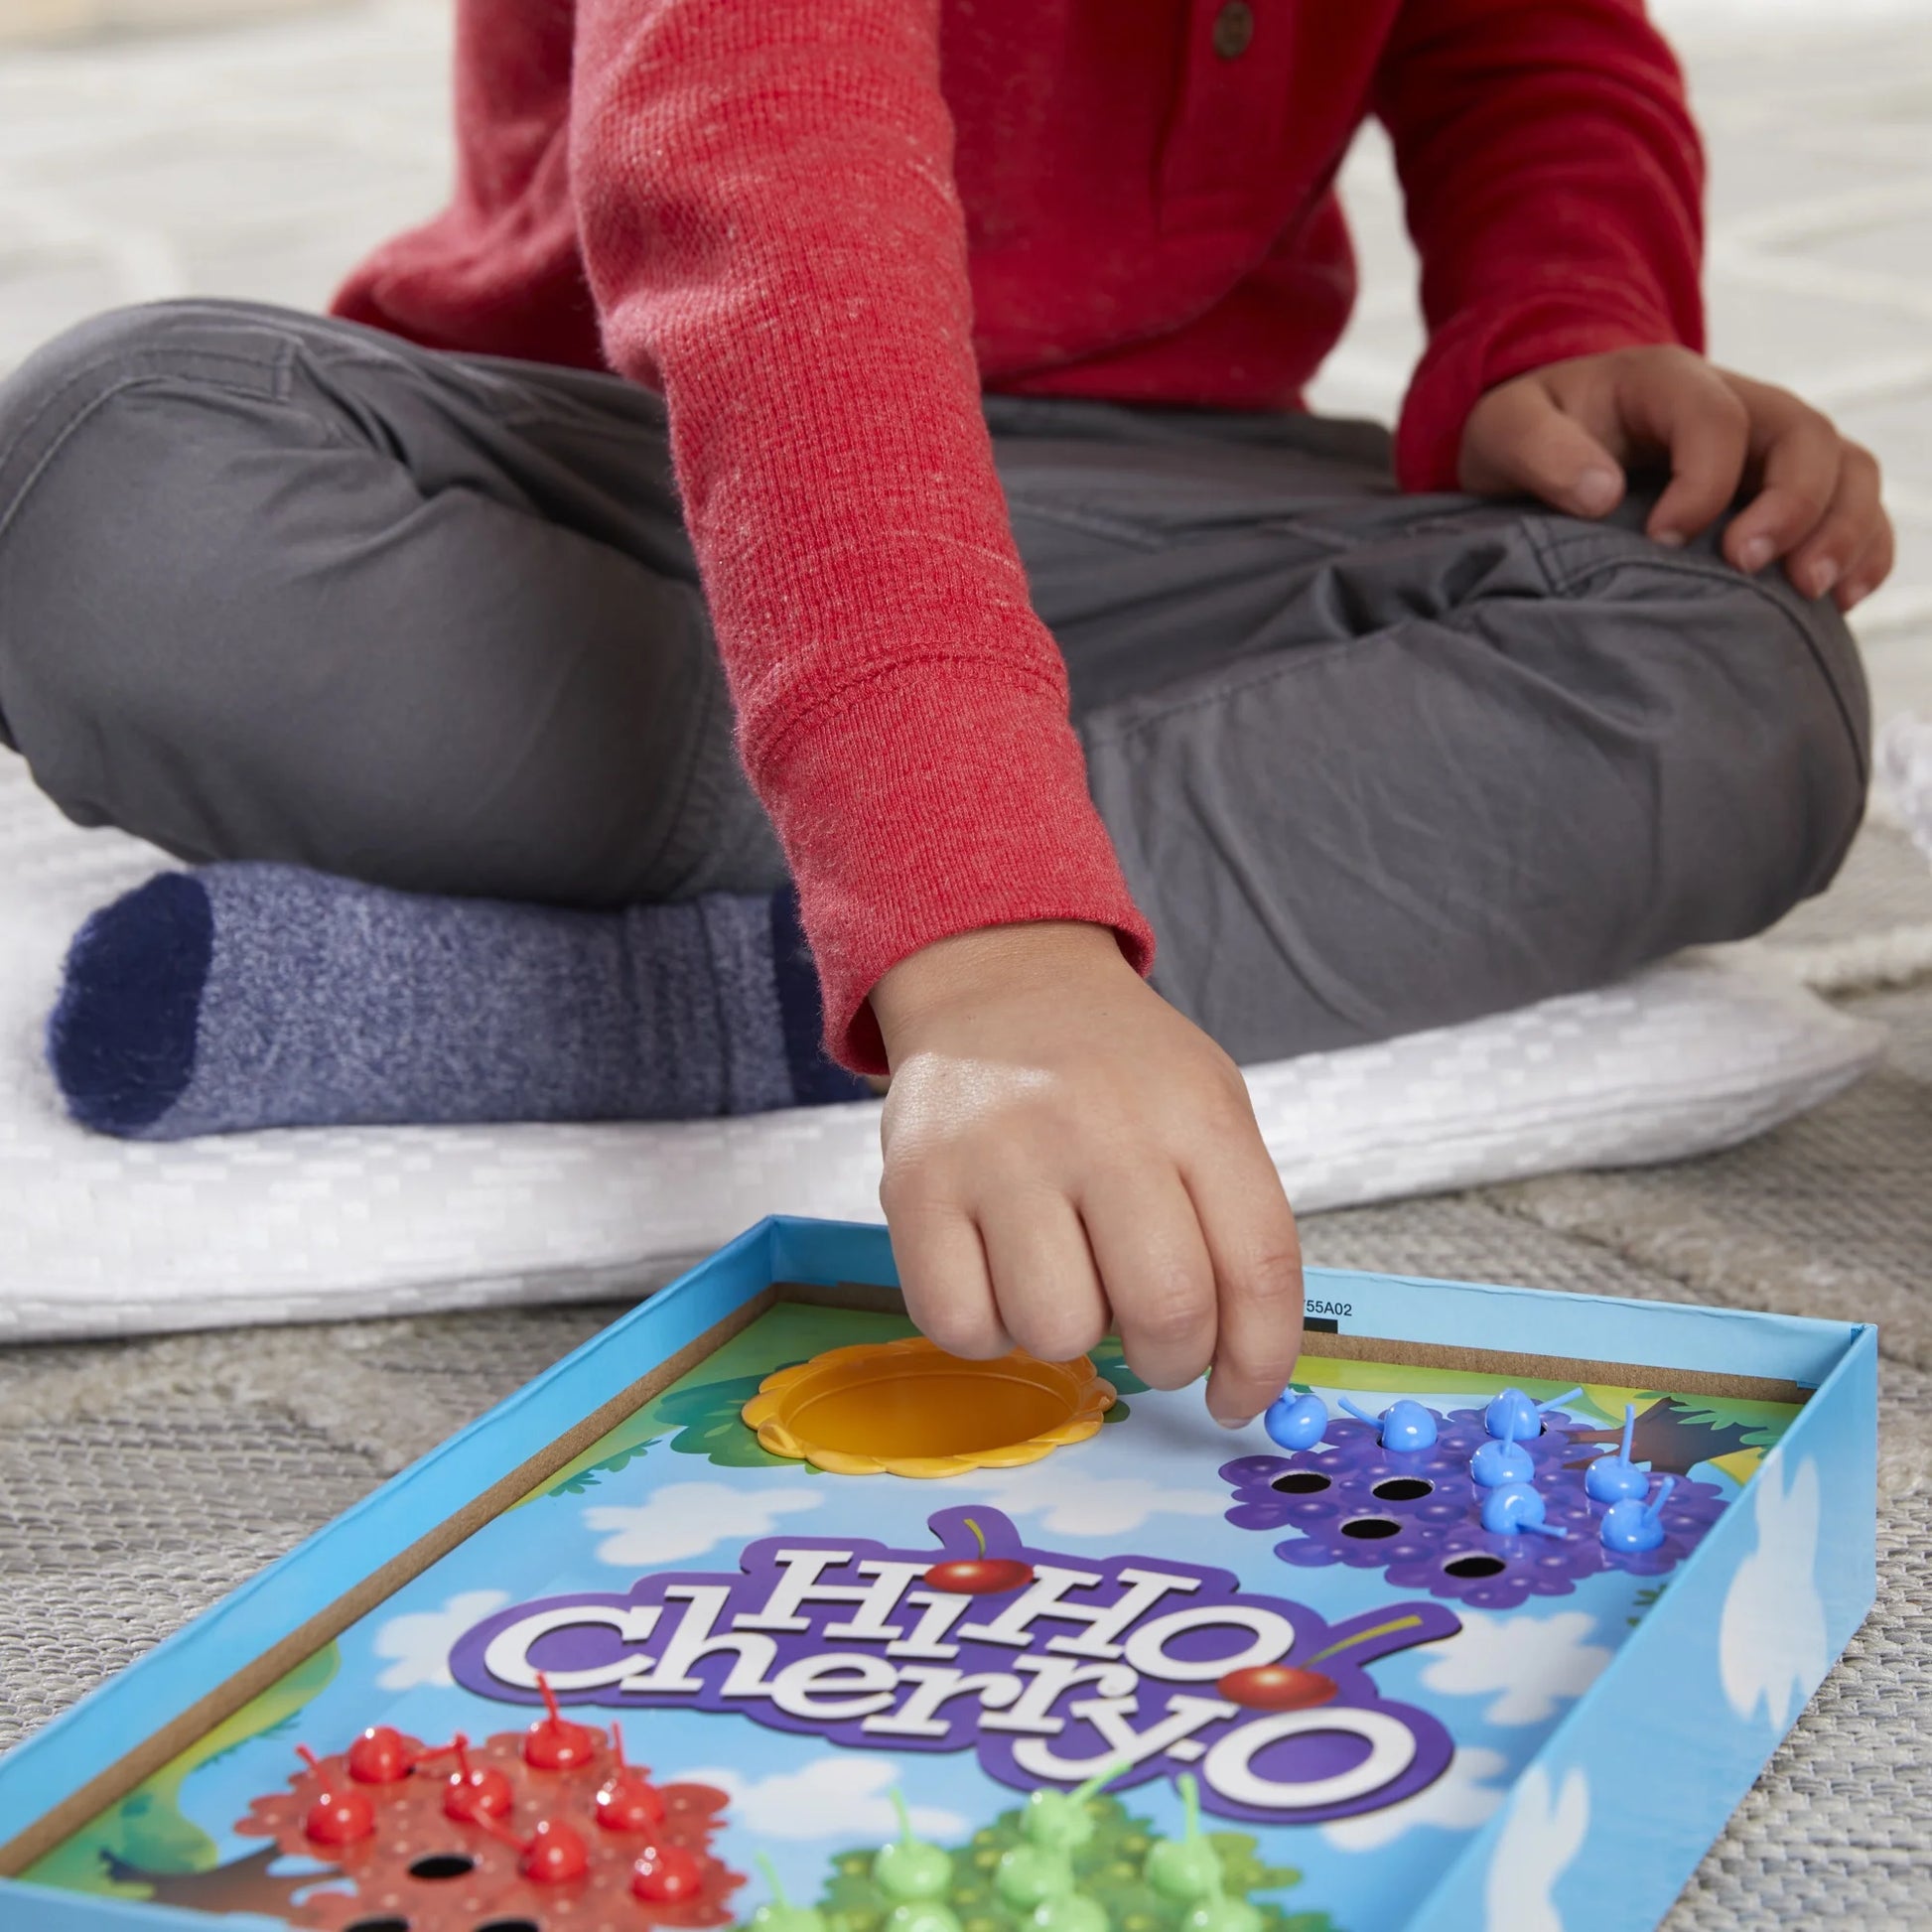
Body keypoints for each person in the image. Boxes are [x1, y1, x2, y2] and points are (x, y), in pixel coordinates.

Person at [0, 1, 1888, 1429]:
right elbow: (779, 194)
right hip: (653, 470)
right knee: (111, 487)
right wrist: (983, 935)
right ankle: (919, 914)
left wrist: (1565, 324)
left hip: (1158, 503)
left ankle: (623, 993)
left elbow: (1521, 41)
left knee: (1742, 670)